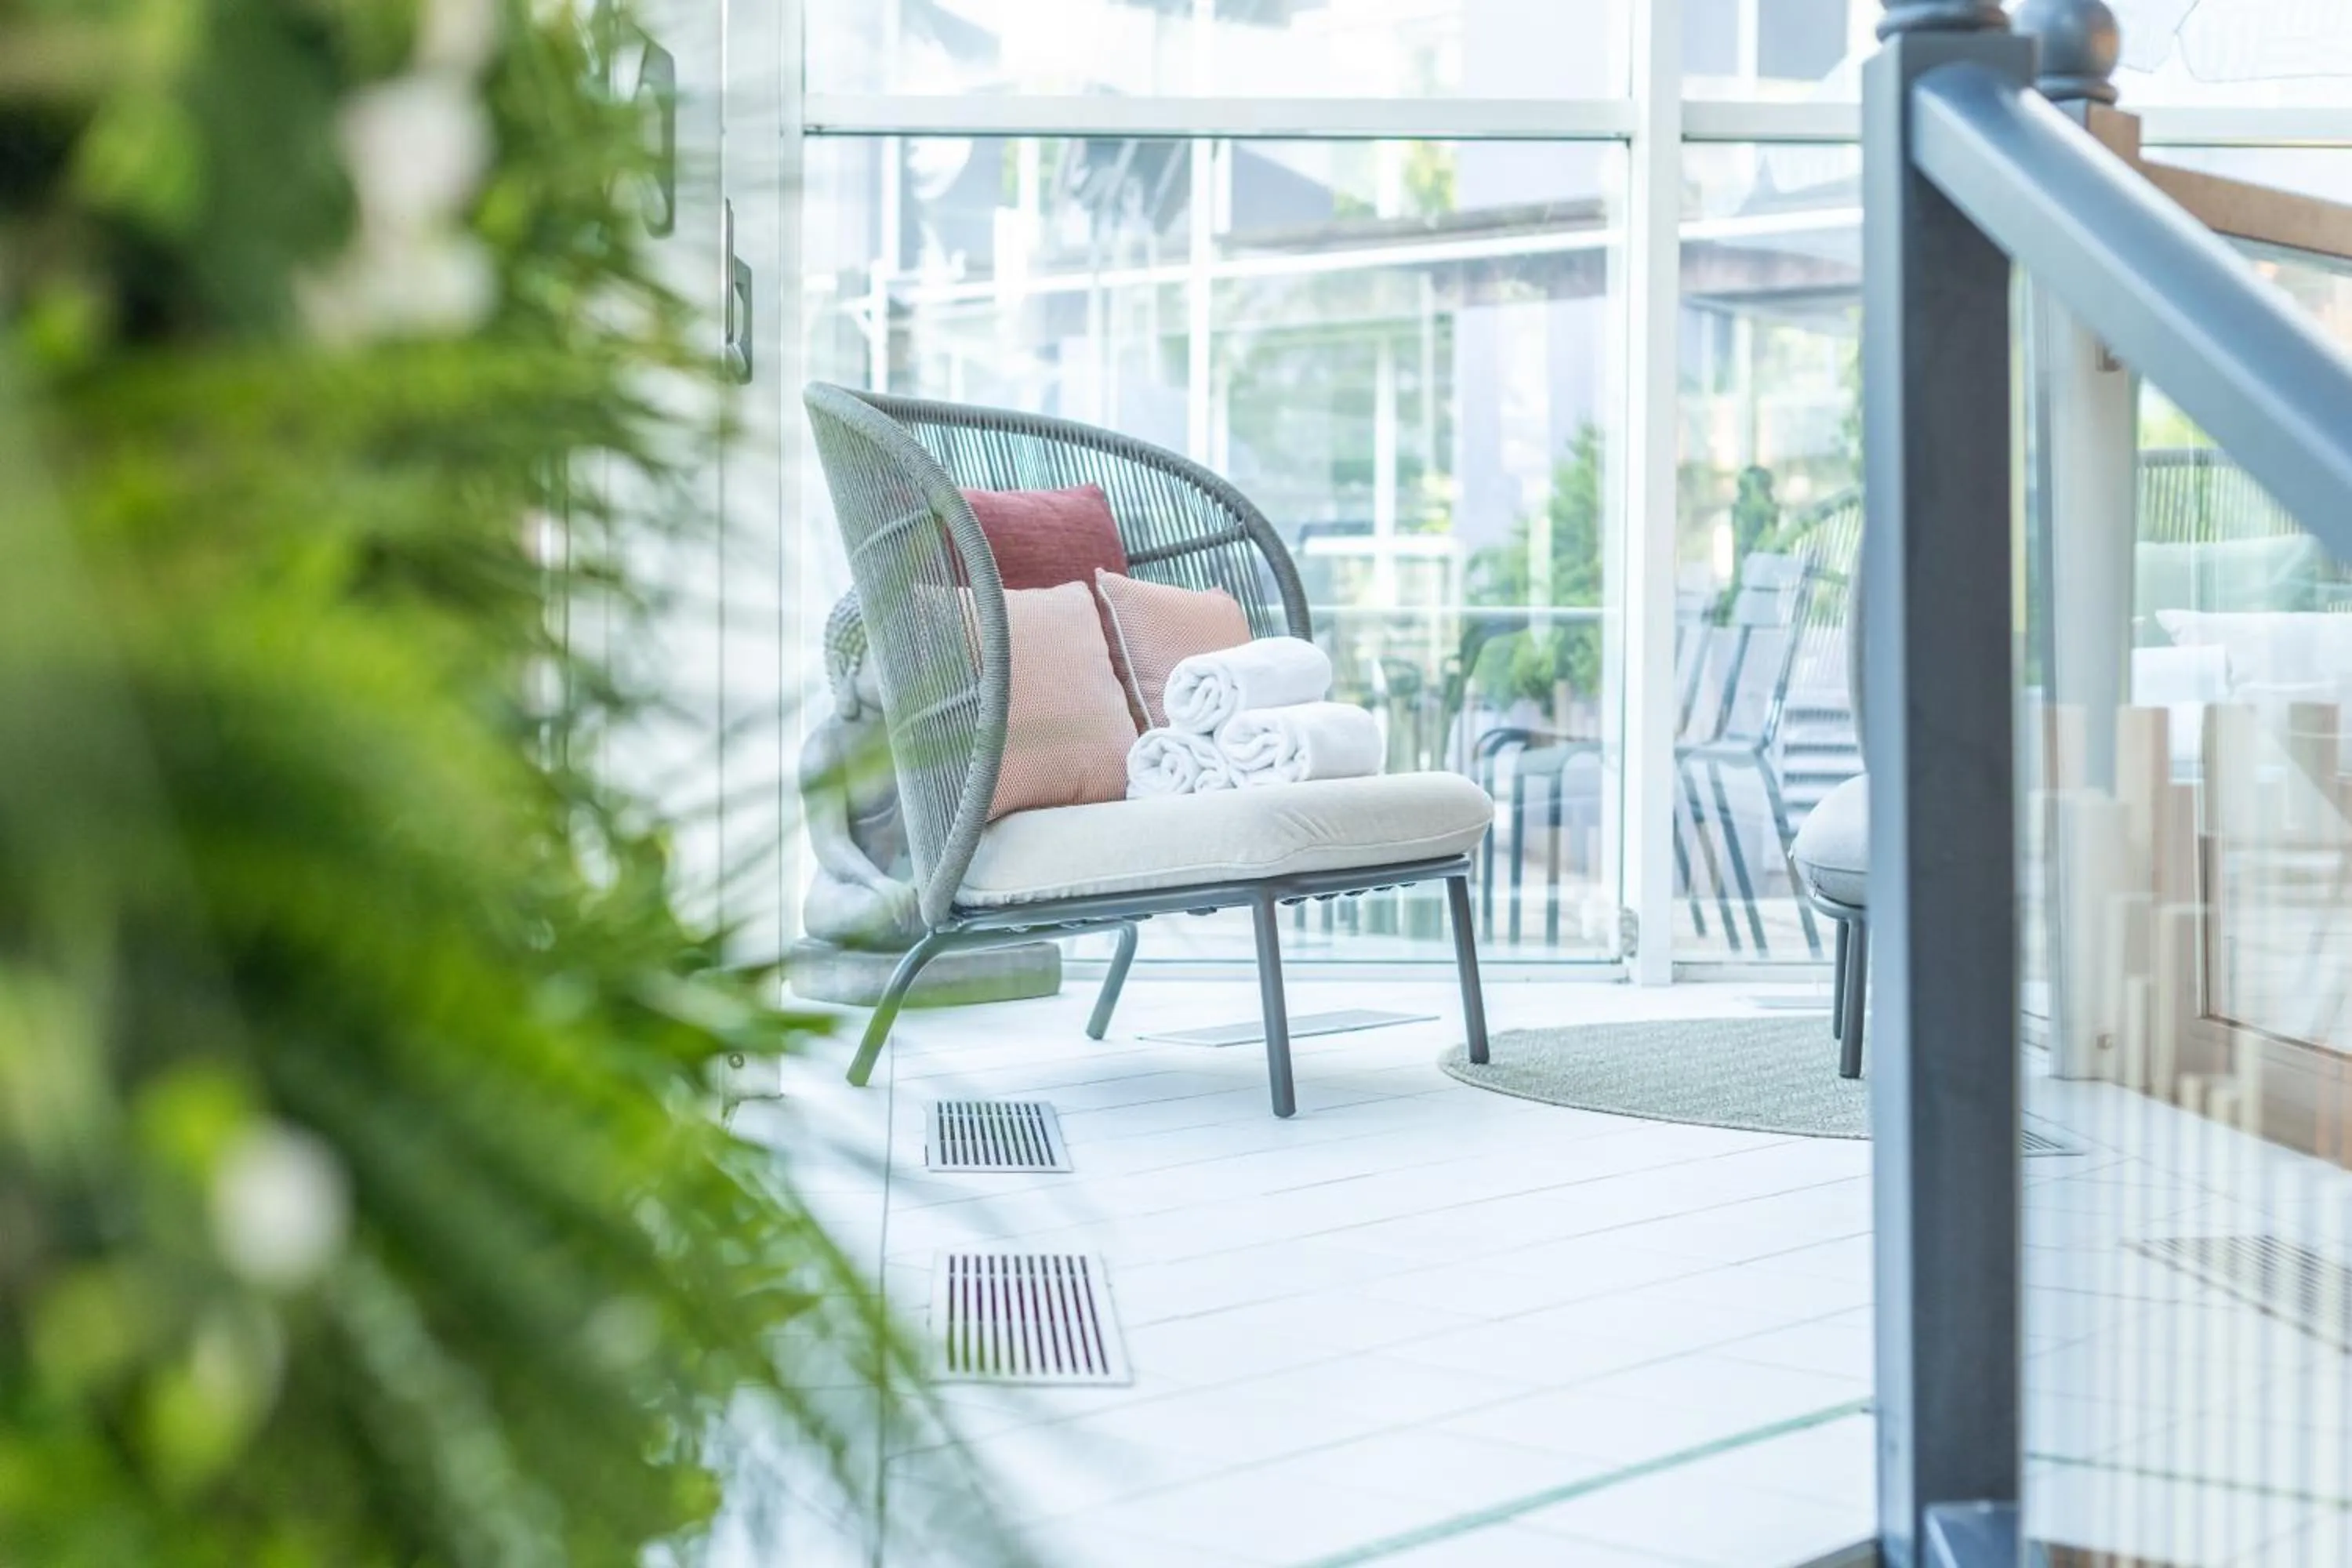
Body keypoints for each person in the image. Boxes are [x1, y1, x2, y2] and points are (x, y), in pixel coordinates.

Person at [798, 593, 924, 949]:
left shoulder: (915, 738)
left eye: (912, 659)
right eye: (889, 659)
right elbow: (831, 842)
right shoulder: (824, 748)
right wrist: (879, 884)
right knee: (877, 915)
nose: (905, 672)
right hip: (852, 887)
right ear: (843, 666)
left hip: (917, 883)